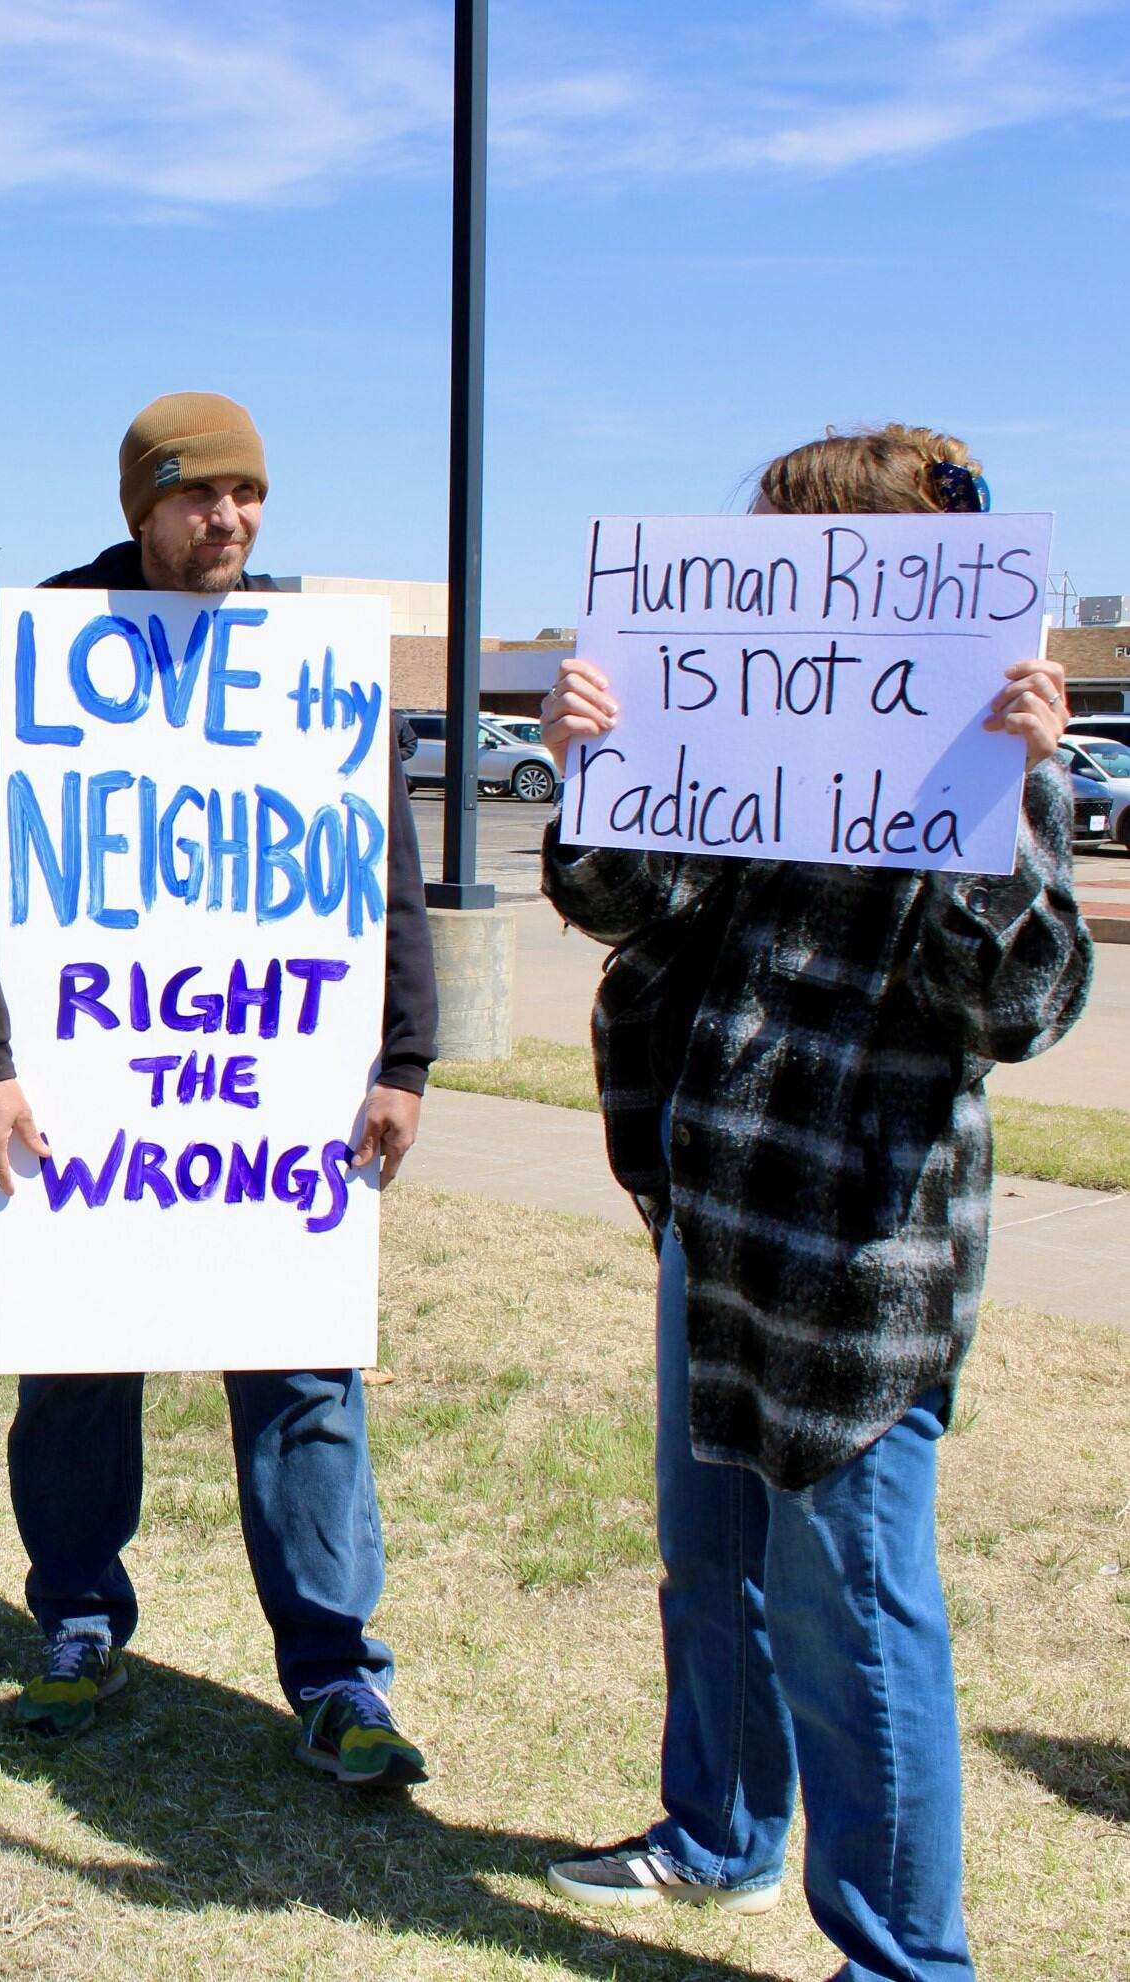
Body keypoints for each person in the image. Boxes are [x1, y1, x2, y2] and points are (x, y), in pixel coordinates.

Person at [537, 424, 1092, 1978]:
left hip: (860, 1248)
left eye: (795, 547)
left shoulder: (981, 736)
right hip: (712, 1214)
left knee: (851, 1599)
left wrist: (1011, 794)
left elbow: (1018, 1002)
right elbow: (621, 902)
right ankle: (718, 1834)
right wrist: (603, 766)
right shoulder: (741, 714)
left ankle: (904, 1958)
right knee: (709, 1553)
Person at [0, 392, 440, 1783]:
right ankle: (79, 1622)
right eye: (200, 496)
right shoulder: (47, 654)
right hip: (88, 1096)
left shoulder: (302, 661)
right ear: (140, 506)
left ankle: (336, 1676)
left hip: (280, 1100)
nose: (229, 520)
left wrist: (402, 1055)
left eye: (247, 497)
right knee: (80, 1368)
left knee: (303, 1376)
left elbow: (379, 859)